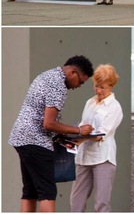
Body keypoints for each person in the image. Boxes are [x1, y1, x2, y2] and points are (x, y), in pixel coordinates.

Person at [8, 56, 95, 212]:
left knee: (30, 190)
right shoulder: (58, 85)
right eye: (81, 82)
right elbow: (49, 123)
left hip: (21, 137)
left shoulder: (47, 75)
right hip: (36, 141)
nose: (79, 86)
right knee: (47, 192)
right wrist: (79, 130)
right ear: (73, 72)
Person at [70, 64, 123, 212]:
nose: (98, 90)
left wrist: (82, 138)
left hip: (103, 158)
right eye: (96, 86)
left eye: (103, 87)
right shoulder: (90, 102)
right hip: (83, 156)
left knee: (101, 202)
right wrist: (73, 138)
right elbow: (82, 125)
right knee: (76, 200)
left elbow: (102, 133)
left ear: (111, 86)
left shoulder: (115, 107)